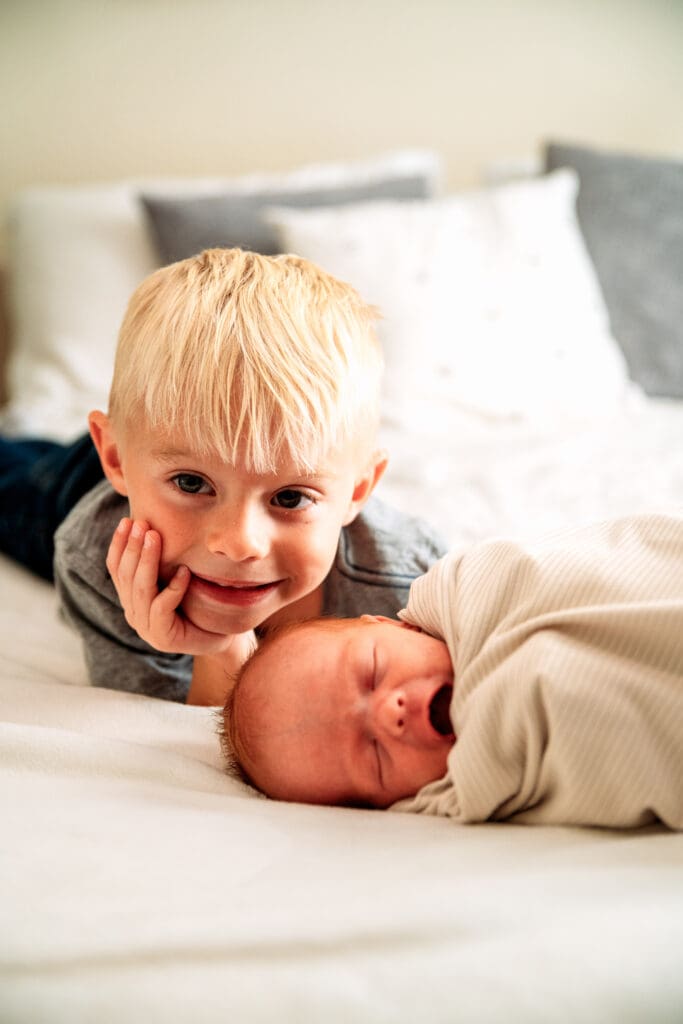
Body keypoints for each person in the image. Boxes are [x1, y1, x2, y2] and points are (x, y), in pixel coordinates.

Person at [0, 248, 446, 706]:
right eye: (191, 484)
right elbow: (184, 729)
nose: (239, 543)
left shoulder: (412, 586)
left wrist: (220, 644)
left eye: (291, 497)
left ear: (359, 490)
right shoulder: (97, 558)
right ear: (115, 458)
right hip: (72, 483)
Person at [222, 513, 683, 830]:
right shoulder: (464, 791)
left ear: (392, 623)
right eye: (375, 757)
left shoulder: (472, 589)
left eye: (374, 672)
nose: (390, 713)